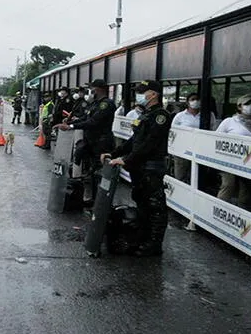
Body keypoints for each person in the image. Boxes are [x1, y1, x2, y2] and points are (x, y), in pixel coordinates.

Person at [101, 80, 171, 257]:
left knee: (155, 207)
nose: (138, 95)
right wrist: (113, 152)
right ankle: (143, 239)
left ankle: (154, 244)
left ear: (153, 94)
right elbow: (134, 141)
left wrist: (126, 159)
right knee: (142, 203)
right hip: (140, 168)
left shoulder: (160, 116)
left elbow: (149, 144)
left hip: (151, 168)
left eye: (142, 92)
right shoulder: (145, 114)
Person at [55, 79, 115, 204]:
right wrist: (68, 123)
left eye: (92, 88)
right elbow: (85, 118)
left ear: (98, 89)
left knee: (100, 175)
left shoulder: (106, 104)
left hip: (101, 144)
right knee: (91, 173)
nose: (90, 91)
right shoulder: (94, 104)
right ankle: (92, 200)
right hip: (91, 143)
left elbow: (94, 122)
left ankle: (101, 205)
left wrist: (71, 127)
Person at [215, 94, 251, 210]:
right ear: (239, 107)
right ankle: (219, 211)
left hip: (250, 163)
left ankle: (242, 217)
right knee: (228, 186)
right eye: (247, 104)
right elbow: (216, 139)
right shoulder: (229, 122)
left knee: (247, 191)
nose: (250, 106)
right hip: (229, 161)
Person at [171, 92, 216, 184]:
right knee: (181, 176)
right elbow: (173, 132)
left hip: (200, 150)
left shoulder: (208, 115)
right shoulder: (180, 116)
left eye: (197, 99)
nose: (195, 101)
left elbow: (213, 130)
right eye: (192, 99)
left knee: (197, 178)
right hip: (182, 150)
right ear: (187, 102)